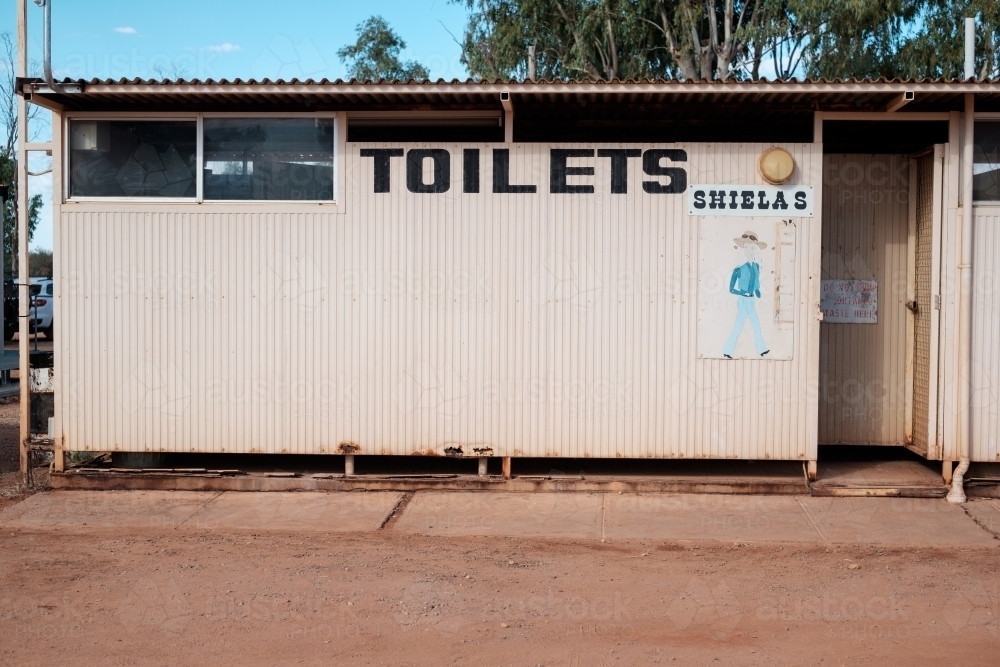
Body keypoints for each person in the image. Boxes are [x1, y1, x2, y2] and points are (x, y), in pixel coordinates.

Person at [723, 231, 769, 359]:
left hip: (751, 300)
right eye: (747, 247)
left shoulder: (756, 266)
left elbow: (756, 282)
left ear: (756, 250)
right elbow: (731, 289)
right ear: (743, 249)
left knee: (756, 326)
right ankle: (727, 350)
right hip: (743, 300)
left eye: (752, 248)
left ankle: (762, 349)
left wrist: (757, 291)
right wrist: (742, 292)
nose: (750, 250)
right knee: (738, 327)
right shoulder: (739, 268)